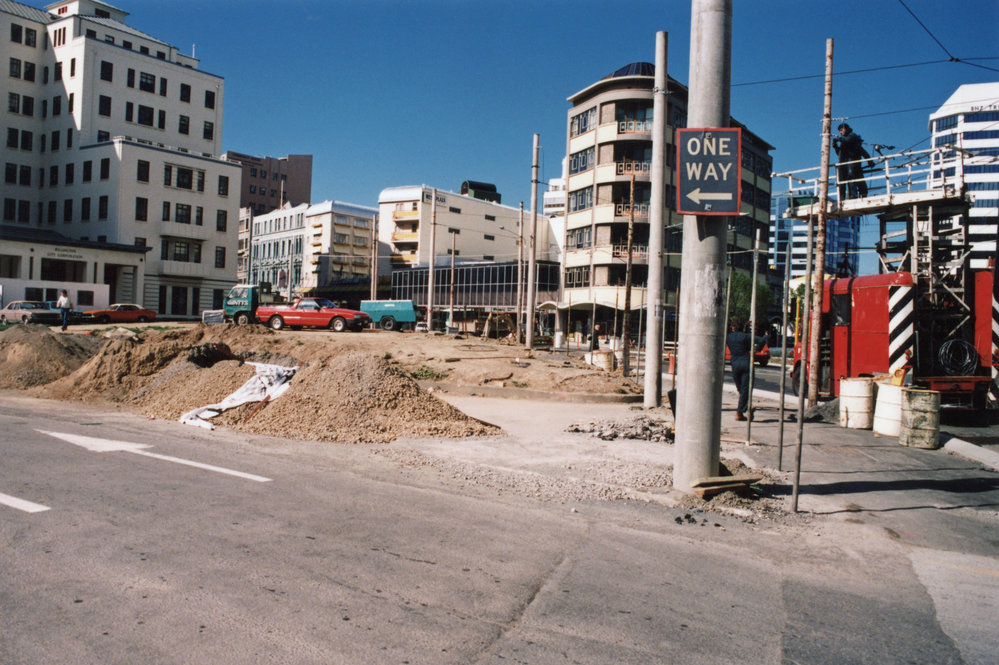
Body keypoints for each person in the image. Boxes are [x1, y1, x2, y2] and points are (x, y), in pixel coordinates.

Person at [726, 317, 764, 421]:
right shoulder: (746, 337)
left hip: (735, 364)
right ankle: (740, 411)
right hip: (746, 363)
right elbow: (761, 340)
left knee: (741, 390)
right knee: (745, 389)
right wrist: (759, 346)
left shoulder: (728, 337)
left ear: (733, 327)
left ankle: (745, 409)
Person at [832, 123, 875, 200]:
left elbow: (862, 151)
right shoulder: (844, 142)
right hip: (843, 164)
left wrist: (838, 139)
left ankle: (854, 195)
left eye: (841, 130)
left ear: (846, 129)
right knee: (841, 181)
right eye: (840, 131)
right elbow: (840, 154)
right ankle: (842, 197)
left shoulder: (852, 136)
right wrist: (835, 146)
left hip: (853, 163)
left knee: (852, 177)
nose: (841, 133)